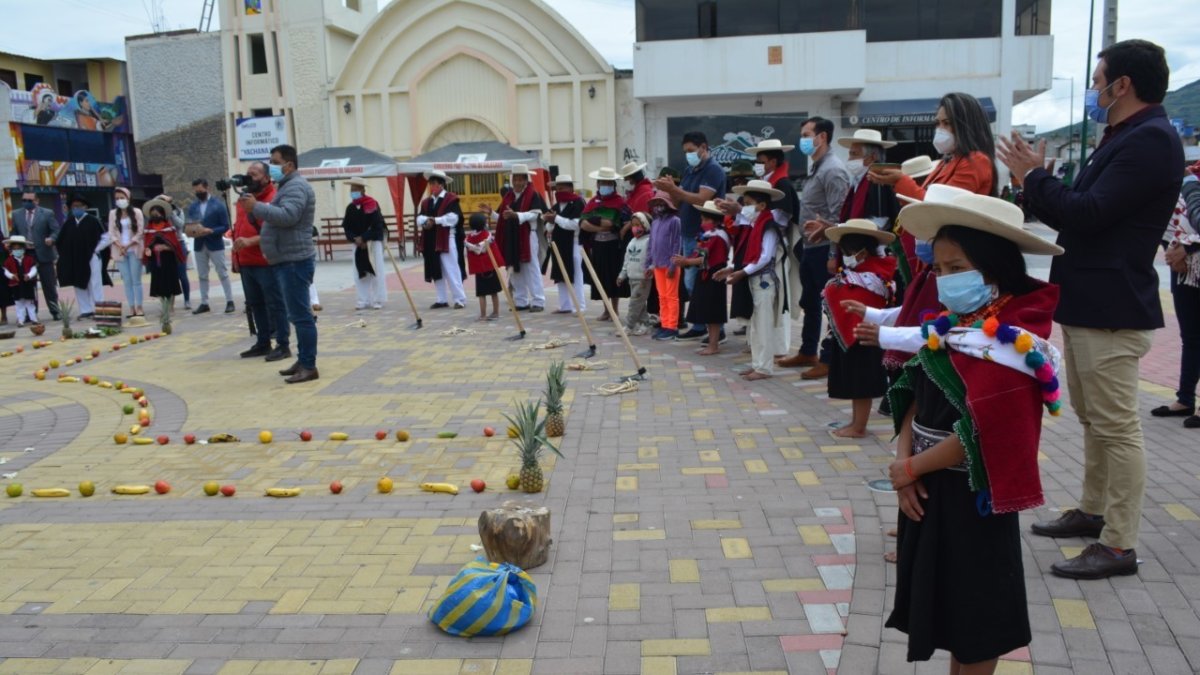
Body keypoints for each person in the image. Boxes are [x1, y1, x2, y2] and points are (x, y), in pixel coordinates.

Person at [998, 39, 1184, 578]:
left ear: (1122, 85)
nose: (1093, 90)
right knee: (1094, 419)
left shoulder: (1150, 140)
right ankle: (1094, 510)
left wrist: (1036, 177)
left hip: (1113, 307)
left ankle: (1119, 544)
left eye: (1098, 81)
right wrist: (1033, 183)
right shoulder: (1123, 138)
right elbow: (1073, 215)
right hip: (1089, 302)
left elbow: (1089, 213)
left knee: (1116, 426)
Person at [885, 191, 1063, 673]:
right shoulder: (955, 327)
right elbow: (914, 390)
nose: (945, 279)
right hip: (927, 488)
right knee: (949, 609)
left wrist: (910, 468)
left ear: (993, 269)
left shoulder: (1013, 346)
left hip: (973, 499)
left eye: (957, 267)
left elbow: (984, 432)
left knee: (978, 618)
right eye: (939, 268)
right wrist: (904, 465)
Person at [241, 143, 320, 384]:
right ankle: (303, 360)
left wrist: (257, 207)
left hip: (294, 260)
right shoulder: (286, 186)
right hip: (287, 258)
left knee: (301, 316)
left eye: (275, 163)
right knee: (296, 315)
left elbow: (288, 216)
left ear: (289, 165)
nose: (272, 167)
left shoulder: (296, 186)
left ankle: (309, 365)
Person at [821, 221, 897, 438]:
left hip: (865, 337)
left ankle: (859, 426)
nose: (846, 257)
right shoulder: (856, 273)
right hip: (856, 335)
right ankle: (856, 422)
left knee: (862, 383)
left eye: (849, 252)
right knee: (856, 382)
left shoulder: (876, 275)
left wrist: (835, 291)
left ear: (863, 252)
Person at [793, 117, 852, 380]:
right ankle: (808, 351)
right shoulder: (817, 167)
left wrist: (832, 254)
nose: (803, 140)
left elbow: (840, 216)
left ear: (822, 137)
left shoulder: (833, 170)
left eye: (807, 135)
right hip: (810, 246)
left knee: (829, 305)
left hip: (825, 247)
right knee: (810, 302)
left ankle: (829, 359)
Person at [655, 132, 727, 341]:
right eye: (685, 151)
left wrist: (675, 189)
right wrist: (669, 191)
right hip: (688, 232)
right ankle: (699, 324)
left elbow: (702, 199)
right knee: (693, 283)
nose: (688, 155)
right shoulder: (690, 170)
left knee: (705, 282)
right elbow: (679, 201)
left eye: (691, 150)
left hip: (705, 233)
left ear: (703, 147)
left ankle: (716, 329)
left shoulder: (713, 170)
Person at [715, 179, 786, 380]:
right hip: (755, 279)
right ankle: (757, 363)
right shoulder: (757, 225)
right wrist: (733, 269)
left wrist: (742, 273)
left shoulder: (768, 226)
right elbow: (752, 257)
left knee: (763, 326)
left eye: (748, 204)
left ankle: (764, 367)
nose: (744, 208)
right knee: (755, 327)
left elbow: (764, 257)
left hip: (764, 281)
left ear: (761, 205)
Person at [870, 92, 998, 201]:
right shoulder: (946, 162)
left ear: (966, 126)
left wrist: (900, 180)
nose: (940, 129)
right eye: (937, 123)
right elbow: (927, 201)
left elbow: (942, 207)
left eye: (946, 123)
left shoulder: (975, 160)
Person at [231, 161, 291, 362]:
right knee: (255, 303)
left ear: (266, 177)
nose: (250, 178)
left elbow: (275, 230)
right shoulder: (244, 199)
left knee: (275, 304)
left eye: (255, 174)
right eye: (248, 173)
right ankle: (263, 342)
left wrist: (250, 241)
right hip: (246, 261)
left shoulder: (274, 198)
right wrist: (236, 255)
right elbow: (238, 226)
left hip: (266, 261)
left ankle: (283, 344)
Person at [1157, 163, 1200, 428]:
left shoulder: (1190, 181)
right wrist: (1173, 251)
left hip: (1191, 259)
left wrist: (1188, 247)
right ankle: (1185, 398)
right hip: (1184, 270)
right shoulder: (1187, 175)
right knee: (1190, 336)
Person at [485, 164, 546, 312]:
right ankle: (521, 301)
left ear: (526, 180)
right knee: (514, 267)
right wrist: (492, 213)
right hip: (511, 236)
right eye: (515, 179)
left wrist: (517, 215)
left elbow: (535, 214)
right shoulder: (508, 197)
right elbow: (503, 218)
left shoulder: (533, 195)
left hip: (527, 235)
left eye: (520, 179)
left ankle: (538, 301)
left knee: (531, 267)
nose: (517, 183)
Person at [674, 200, 730, 355]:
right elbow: (699, 254)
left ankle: (714, 344)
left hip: (715, 275)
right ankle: (712, 343)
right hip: (705, 274)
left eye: (706, 219)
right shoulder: (708, 235)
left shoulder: (718, 236)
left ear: (715, 220)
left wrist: (686, 261)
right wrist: (686, 260)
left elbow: (704, 258)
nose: (702, 223)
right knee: (707, 310)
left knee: (713, 311)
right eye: (702, 219)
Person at [581, 167, 630, 320]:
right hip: (597, 245)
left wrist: (595, 221)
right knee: (601, 277)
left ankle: (614, 310)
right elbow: (583, 224)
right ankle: (606, 310)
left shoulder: (619, 202)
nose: (605, 186)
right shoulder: (592, 202)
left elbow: (611, 223)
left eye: (608, 183)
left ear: (613, 185)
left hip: (613, 246)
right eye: (602, 183)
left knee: (614, 276)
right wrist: (600, 226)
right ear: (598, 184)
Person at [418, 170, 466, 310]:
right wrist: (426, 222)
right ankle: (441, 299)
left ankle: (459, 299)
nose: (432, 187)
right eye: (430, 184)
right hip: (431, 239)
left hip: (446, 238)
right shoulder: (426, 202)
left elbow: (454, 218)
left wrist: (436, 220)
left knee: (451, 268)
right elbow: (419, 217)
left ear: (441, 185)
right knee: (436, 268)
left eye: (434, 184)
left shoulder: (451, 199)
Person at [55, 195, 109, 319]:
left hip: (92, 257)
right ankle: (86, 310)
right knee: (78, 283)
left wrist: (96, 249)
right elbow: (61, 240)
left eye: (79, 206)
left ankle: (99, 309)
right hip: (76, 258)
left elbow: (106, 237)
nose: (76, 208)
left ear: (85, 207)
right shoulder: (69, 223)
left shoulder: (93, 220)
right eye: (74, 206)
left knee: (95, 283)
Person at [10, 190, 61, 320]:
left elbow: (56, 230)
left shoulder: (47, 213)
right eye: (24, 200)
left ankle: (55, 311)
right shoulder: (16, 214)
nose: (26, 203)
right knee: (28, 285)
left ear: (37, 201)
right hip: (25, 255)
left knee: (49, 285)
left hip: (44, 253)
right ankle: (31, 314)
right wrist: (13, 245)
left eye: (29, 200)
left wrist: (51, 239)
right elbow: (14, 232)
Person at [187, 179, 235, 315]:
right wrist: (191, 230)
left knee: (222, 273)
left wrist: (212, 231)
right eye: (196, 191)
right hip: (199, 243)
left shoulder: (218, 205)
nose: (198, 193)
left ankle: (230, 301)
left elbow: (225, 226)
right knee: (202, 275)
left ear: (207, 188)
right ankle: (204, 302)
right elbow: (190, 223)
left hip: (215, 243)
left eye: (200, 190)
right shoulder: (193, 206)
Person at [541, 175, 587, 314]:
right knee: (560, 273)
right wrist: (550, 221)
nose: (559, 191)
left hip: (574, 243)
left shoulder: (578, 203)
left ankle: (579, 306)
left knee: (576, 275)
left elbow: (576, 224)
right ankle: (565, 305)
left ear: (570, 188)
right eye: (558, 188)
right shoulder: (556, 206)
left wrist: (557, 218)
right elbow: (548, 227)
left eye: (563, 188)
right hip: (558, 243)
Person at [342, 178, 388, 310]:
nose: (353, 192)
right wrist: (355, 239)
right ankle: (363, 300)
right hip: (357, 244)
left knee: (376, 271)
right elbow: (347, 228)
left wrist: (364, 238)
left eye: (355, 189)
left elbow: (378, 226)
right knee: (359, 271)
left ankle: (378, 299)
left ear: (362, 190)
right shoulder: (350, 208)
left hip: (372, 243)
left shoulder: (372, 204)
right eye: (351, 190)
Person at [644, 190, 681, 341]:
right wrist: (648, 264)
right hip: (657, 265)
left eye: (661, 203)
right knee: (662, 297)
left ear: (668, 204)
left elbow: (677, 244)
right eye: (656, 203)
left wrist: (673, 266)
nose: (658, 206)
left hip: (670, 265)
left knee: (671, 297)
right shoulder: (655, 222)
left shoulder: (675, 221)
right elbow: (651, 245)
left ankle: (672, 327)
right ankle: (665, 324)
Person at [141, 199, 184, 324]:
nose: (155, 216)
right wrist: (148, 251)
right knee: (158, 281)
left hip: (168, 259)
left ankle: (170, 306)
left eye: (157, 214)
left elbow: (175, 245)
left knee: (170, 281)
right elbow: (146, 245)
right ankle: (163, 305)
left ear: (162, 214)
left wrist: (165, 247)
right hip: (155, 260)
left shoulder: (169, 228)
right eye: (153, 214)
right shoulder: (148, 229)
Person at [107, 186, 144, 318]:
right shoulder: (113, 213)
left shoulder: (137, 212)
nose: (119, 200)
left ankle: (139, 307)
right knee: (127, 280)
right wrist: (120, 245)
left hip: (134, 249)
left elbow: (140, 232)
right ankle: (131, 307)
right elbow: (111, 233)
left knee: (136, 280)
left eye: (122, 198)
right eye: (117, 198)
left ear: (128, 198)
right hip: (119, 251)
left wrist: (127, 245)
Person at [617, 212, 652, 335]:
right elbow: (627, 260)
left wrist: (651, 268)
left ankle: (629, 326)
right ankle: (645, 324)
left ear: (645, 225)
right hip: (632, 278)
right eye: (633, 225)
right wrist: (622, 274)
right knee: (639, 303)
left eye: (638, 225)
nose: (635, 227)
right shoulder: (632, 241)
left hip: (643, 279)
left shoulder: (649, 241)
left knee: (634, 303)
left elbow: (653, 258)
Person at [464, 212, 503, 321]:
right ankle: (496, 312)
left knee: (481, 294)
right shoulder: (487, 235)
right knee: (494, 292)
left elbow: (472, 250)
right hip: (490, 266)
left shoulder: (469, 239)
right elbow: (490, 246)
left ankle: (483, 315)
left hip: (479, 269)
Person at [157, 194, 191, 310]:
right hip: (164, 245)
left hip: (178, 244)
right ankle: (170, 302)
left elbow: (180, 224)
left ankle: (187, 300)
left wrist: (171, 213)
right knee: (169, 275)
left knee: (182, 275)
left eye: (166, 202)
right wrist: (160, 197)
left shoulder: (178, 211)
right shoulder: (158, 214)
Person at [3, 236, 39, 326]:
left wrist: (29, 275)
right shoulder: (8, 261)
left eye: (19, 248)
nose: (17, 250)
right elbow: (6, 272)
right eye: (14, 249)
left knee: (30, 302)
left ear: (23, 249)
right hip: (16, 285)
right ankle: (20, 320)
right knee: (19, 303)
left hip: (27, 284)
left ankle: (34, 319)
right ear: (11, 250)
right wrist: (12, 276)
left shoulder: (29, 259)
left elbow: (34, 269)